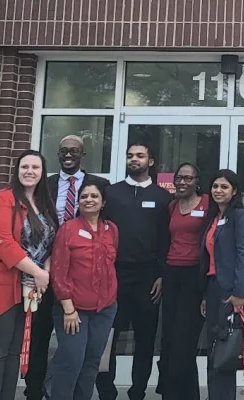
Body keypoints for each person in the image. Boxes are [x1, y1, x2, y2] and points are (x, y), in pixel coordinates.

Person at [25, 134, 110, 400]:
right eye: (63, 150)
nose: (68, 154)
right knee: (39, 338)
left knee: (76, 346)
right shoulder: (45, 185)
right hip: (44, 273)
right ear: (58, 154)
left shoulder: (99, 186)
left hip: (80, 278)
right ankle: (34, 392)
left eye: (74, 150)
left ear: (83, 155)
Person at [0, 149, 57, 400]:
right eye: (24, 167)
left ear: (42, 173)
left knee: (15, 353)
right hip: (0, 286)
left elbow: (52, 243)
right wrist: (39, 273)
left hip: (29, 288)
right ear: (17, 171)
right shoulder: (2, 199)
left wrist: (44, 274)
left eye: (35, 168)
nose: (30, 172)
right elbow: (4, 243)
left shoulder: (44, 204)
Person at [96, 142, 172, 400]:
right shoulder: (112, 193)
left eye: (140, 155)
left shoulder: (164, 198)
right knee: (108, 335)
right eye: (130, 156)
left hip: (148, 277)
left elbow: (166, 240)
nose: (134, 159)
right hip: (113, 274)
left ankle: (138, 390)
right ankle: (106, 389)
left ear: (151, 161)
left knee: (145, 336)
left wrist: (161, 274)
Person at [44, 182, 119, 400]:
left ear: (103, 202)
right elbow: (58, 270)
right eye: (84, 196)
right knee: (72, 360)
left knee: (92, 362)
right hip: (73, 310)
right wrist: (68, 308)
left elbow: (111, 264)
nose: (89, 200)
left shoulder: (111, 229)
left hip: (105, 308)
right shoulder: (68, 229)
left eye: (94, 196)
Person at [200, 169, 244, 400]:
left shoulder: (241, 216)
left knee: (225, 348)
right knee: (213, 348)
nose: (218, 191)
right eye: (215, 186)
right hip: (213, 287)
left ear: (234, 191)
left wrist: (239, 293)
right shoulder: (214, 218)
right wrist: (205, 294)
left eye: (224, 187)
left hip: (231, 291)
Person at [158, 162, 209, 400]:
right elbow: (166, 241)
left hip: (194, 277)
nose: (182, 182)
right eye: (179, 178)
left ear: (197, 181)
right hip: (171, 274)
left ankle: (174, 392)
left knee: (184, 339)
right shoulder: (171, 206)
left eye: (188, 178)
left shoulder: (207, 204)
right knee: (169, 336)